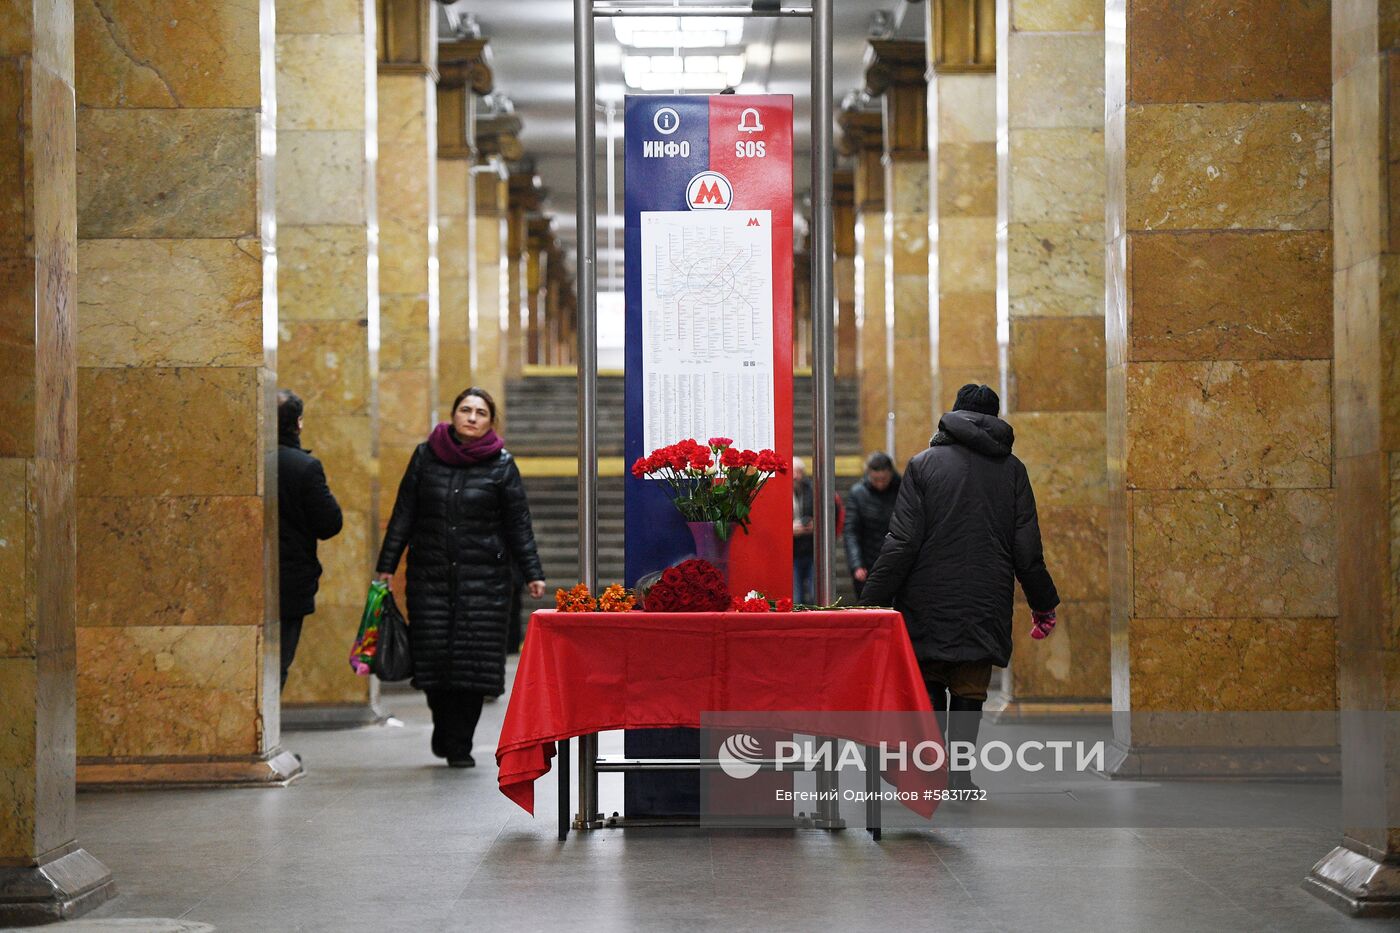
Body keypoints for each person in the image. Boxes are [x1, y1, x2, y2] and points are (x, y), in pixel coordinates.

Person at [860, 384, 1058, 791]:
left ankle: (931, 769)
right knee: (970, 685)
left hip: (926, 598)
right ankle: (961, 775)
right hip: (986, 598)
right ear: (997, 420)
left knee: (930, 677)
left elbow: (902, 542)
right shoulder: (1013, 470)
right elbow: (1027, 547)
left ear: (954, 414)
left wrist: (872, 600)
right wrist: (1043, 602)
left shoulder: (923, 465)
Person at [375, 387, 545, 767]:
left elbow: (518, 523)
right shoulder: (425, 456)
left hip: (485, 580)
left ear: (490, 421)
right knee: (433, 660)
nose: (471, 417)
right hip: (429, 576)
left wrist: (532, 572)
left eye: (480, 412)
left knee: (474, 664)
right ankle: (443, 726)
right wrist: (387, 565)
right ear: (452, 415)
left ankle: (460, 743)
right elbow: (404, 512)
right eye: (465, 410)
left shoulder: (501, 464)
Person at [276, 390, 344, 691]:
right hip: (290, 583)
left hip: (241, 583)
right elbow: (330, 524)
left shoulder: (243, 463)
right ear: (298, 423)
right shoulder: (303, 467)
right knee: (277, 664)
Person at [842, 452, 901, 599]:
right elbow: (851, 532)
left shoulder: (902, 489)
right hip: (867, 565)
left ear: (891, 474)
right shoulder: (858, 493)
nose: (880, 483)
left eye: (884, 479)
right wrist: (856, 564)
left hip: (896, 564)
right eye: (876, 479)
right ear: (868, 474)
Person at [792, 456, 815, 604]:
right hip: (792, 552)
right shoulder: (782, 492)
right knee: (796, 596)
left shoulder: (812, 490)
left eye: (798, 472)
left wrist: (815, 525)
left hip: (812, 548)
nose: (795, 476)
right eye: (793, 472)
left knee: (815, 594)